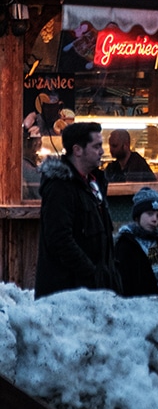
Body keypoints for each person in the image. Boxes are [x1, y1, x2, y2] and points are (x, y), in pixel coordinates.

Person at [35, 120, 121, 297]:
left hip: (93, 292)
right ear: (77, 150)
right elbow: (59, 240)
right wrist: (91, 273)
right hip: (69, 295)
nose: (102, 151)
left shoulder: (94, 183)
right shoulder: (60, 187)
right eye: (96, 146)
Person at [114, 187, 158, 309]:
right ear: (137, 216)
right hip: (142, 313)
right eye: (149, 214)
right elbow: (125, 283)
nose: (154, 219)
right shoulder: (127, 243)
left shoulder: (157, 242)